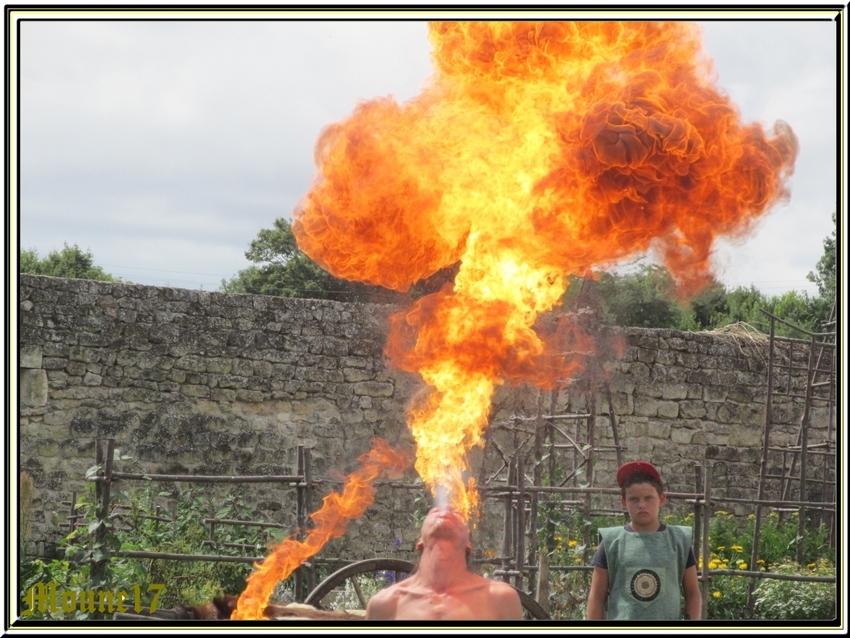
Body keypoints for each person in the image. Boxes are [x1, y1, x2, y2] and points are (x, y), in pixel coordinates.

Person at [587, 461, 702, 621]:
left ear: (661, 499)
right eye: (634, 499)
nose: (642, 505)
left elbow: (692, 593)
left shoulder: (679, 540)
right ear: (623, 502)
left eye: (649, 498)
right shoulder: (611, 542)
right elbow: (596, 598)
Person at [365, 506, 525, 620]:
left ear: (468, 544)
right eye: (434, 511)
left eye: (456, 513)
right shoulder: (385, 604)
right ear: (419, 541)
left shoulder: (500, 599)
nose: (445, 511)